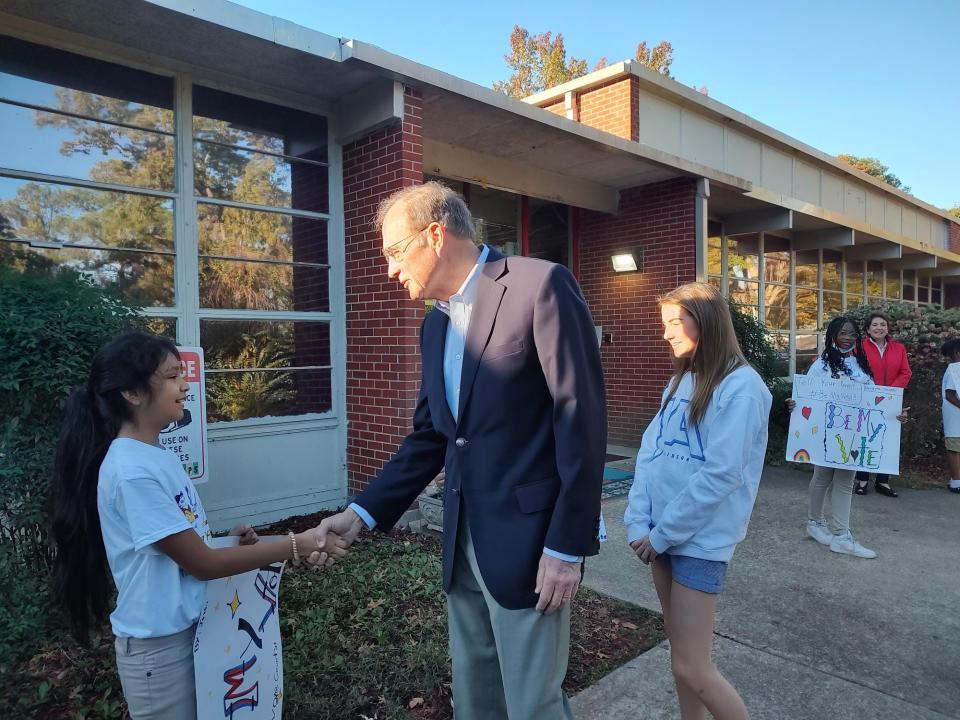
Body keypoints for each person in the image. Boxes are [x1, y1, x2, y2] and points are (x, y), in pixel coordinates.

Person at [313, 182, 606, 719]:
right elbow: (432, 437)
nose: (389, 269)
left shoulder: (539, 286)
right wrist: (361, 513)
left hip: (531, 548)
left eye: (395, 252)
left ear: (435, 234)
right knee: (475, 702)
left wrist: (568, 546)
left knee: (533, 706)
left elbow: (580, 422)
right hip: (463, 546)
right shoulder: (434, 325)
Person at [50, 332, 346, 720]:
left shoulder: (157, 456)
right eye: (172, 376)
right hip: (161, 651)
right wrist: (297, 544)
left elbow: (181, 550)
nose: (185, 384)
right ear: (132, 394)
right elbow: (199, 564)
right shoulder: (131, 471)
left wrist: (229, 545)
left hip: (196, 635)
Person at [624, 282, 771, 720]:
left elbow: (722, 474)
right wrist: (639, 524)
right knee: (681, 663)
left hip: (696, 543)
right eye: (664, 323)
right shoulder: (680, 379)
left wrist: (663, 534)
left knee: (693, 665)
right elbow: (650, 456)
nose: (666, 333)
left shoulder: (742, 387)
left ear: (705, 321)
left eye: (674, 322)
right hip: (659, 540)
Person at [790, 317, 906, 560]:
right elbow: (806, 398)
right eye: (843, 333)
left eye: (852, 334)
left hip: (852, 434)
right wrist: (795, 404)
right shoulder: (820, 366)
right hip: (825, 432)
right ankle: (816, 523)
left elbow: (874, 400)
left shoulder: (860, 365)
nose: (848, 338)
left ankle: (841, 536)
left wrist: (895, 414)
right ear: (833, 335)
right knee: (822, 476)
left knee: (844, 481)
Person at [855, 313, 912, 496]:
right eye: (875, 325)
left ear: (887, 328)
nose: (879, 327)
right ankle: (862, 479)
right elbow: (854, 371)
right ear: (867, 329)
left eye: (883, 324)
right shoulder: (859, 347)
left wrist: (890, 392)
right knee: (864, 437)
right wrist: (872, 389)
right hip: (865, 398)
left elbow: (905, 372)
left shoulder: (898, 348)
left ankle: (883, 481)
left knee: (888, 439)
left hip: (891, 399)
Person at [941, 338, 960, 494]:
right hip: (955, 418)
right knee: (954, 449)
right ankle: (956, 481)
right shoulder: (954, 369)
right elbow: (950, 394)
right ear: (957, 353)